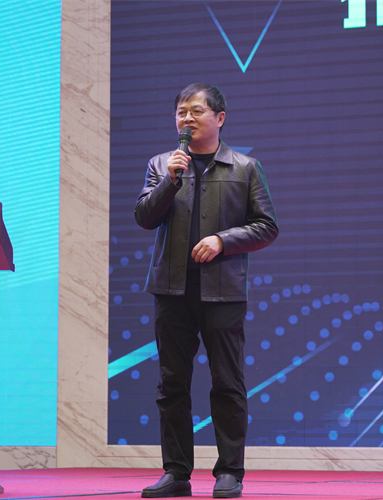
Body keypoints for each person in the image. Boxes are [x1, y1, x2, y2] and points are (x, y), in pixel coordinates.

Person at [135, 83, 279, 498]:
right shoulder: (162, 164)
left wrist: (222, 240)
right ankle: (176, 473)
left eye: (196, 111)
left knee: (227, 383)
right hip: (171, 290)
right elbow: (144, 216)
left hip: (222, 291)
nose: (187, 118)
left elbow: (267, 226)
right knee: (172, 385)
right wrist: (170, 180)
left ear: (220, 118)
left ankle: (230, 472)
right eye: (181, 111)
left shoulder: (244, 167)